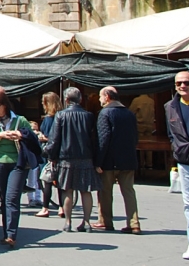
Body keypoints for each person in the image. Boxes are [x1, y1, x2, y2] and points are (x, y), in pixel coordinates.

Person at [0, 90, 33, 248]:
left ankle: (11, 235)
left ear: (5, 105)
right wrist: (0, 136)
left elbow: (31, 138)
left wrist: (20, 135)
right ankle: (6, 233)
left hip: (17, 163)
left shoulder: (20, 120)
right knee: (4, 198)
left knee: (12, 198)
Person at [48, 86, 99, 233]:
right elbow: (94, 139)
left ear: (66, 99)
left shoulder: (61, 115)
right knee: (86, 191)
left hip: (66, 158)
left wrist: (51, 156)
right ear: (81, 99)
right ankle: (87, 222)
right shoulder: (89, 116)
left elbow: (54, 139)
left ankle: (68, 222)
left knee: (67, 190)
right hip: (86, 157)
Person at [95, 86, 140, 233]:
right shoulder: (129, 113)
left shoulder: (105, 113)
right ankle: (134, 223)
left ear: (107, 96)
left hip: (110, 160)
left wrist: (98, 161)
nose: (100, 99)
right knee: (129, 191)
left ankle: (105, 221)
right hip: (128, 159)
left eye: (101, 96)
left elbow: (103, 139)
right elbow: (135, 137)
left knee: (105, 192)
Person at [166, 69, 189, 259]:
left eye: (186, 83)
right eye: (179, 84)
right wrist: (177, 150)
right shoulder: (170, 106)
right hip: (185, 161)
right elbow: (171, 133)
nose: (182, 86)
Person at [34, 91, 62, 217]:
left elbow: (47, 136)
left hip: (47, 152)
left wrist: (40, 136)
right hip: (60, 153)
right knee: (60, 182)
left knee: (47, 181)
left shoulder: (48, 119)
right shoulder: (62, 116)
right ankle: (62, 207)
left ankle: (45, 208)